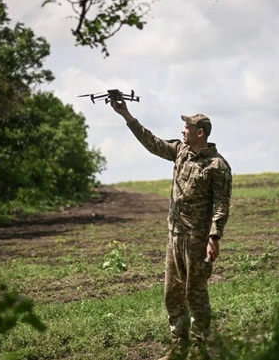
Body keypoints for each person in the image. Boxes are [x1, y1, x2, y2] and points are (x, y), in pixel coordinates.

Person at [110, 92, 232, 360]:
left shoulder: (217, 166)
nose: (182, 130)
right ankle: (179, 347)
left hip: (197, 239)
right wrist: (126, 115)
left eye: (186, 127)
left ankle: (200, 350)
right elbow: (152, 142)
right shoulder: (180, 152)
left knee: (195, 293)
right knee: (173, 293)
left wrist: (214, 237)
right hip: (174, 236)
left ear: (200, 132)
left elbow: (222, 204)